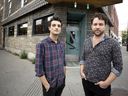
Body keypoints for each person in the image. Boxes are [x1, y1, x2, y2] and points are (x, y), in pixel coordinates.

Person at [80, 13, 123, 96]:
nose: (97, 27)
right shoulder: (87, 41)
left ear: (105, 26)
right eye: (95, 24)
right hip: (86, 81)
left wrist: (106, 83)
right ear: (91, 26)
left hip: (102, 86)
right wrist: (81, 71)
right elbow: (83, 58)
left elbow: (118, 66)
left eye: (100, 24)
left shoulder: (113, 43)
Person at [35, 17, 66, 96]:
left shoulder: (62, 44)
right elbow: (39, 69)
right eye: (54, 25)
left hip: (60, 83)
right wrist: (46, 85)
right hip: (49, 86)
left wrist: (64, 79)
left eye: (59, 26)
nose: (56, 27)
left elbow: (64, 62)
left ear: (60, 28)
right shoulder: (42, 44)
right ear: (49, 28)